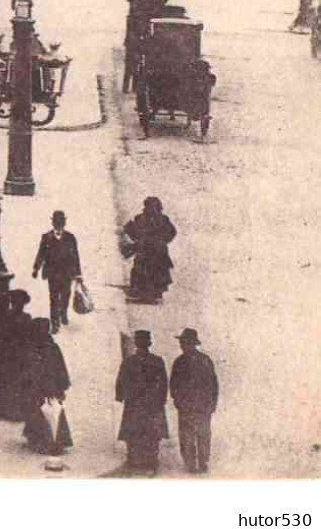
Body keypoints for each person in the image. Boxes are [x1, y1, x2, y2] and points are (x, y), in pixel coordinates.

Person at [116, 329, 170, 475]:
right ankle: (150, 459)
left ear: (137, 344)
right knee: (151, 432)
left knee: (134, 431)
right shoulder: (157, 361)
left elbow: (121, 381)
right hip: (151, 403)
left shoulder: (129, 361)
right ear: (149, 344)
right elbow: (164, 383)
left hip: (135, 403)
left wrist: (121, 395)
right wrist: (161, 399)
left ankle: (134, 458)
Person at [22, 317, 74, 456]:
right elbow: (61, 369)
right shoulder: (52, 347)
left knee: (39, 412)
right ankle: (55, 440)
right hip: (50, 387)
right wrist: (62, 387)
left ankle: (40, 440)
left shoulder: (32, 348)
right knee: (52, 413)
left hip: (39, 388)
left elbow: (27, 369)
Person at [171, 327, 219, 475]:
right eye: (181, 342)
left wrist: (212, 403)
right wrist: (178, 400)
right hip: (194, 406)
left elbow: (213, 384)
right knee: (195, 434)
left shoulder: (190, 361)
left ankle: (197, 463)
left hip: (196, 405)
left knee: (195, 434)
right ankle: (196, 463)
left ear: (190, 343)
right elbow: (174, 384)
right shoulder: (189, 361)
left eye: (184, 342)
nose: (182, 345)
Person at [0, 290, 38, 421]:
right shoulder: (26, 318)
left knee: (4, 379)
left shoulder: (6, 316)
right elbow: (29, 337)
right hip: (20, 354)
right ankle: (14, 409)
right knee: (16, 380)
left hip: (7, 353)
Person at [31, 210, 83, 333]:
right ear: (53, 223)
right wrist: (36, 268)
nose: (59, 224)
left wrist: (78, 274)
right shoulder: (46, 237)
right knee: (53, 298)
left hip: (67, 273)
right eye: (57, 222)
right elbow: (41, 254)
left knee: (65, 295)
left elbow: (76, 256)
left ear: (64, 223)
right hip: (52, 273)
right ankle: (54, 322)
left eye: (61, 222)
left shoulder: (71, 237)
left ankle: (63, 313)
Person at [124, 196, 177, 303]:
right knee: (145, 271)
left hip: (156, 251)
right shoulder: (141, 218)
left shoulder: (162, 219)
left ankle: (155, 294)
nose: (151, 209)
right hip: (147, 251)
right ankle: (146, 294)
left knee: (156, 271)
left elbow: (172, 232)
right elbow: (134, 233)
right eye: (149, 206)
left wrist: (163, 241)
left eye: (154, 207)